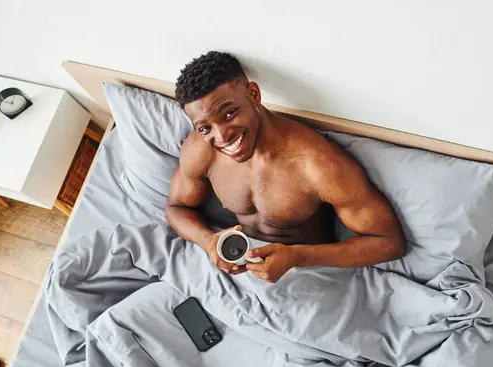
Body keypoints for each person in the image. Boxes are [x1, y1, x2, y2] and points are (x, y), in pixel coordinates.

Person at [167, 51, 405, 283]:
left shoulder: (317, 163)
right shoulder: (200, 150)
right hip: (232, 272)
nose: (222, 137)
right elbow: (177, 207)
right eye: (205, 128)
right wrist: (207, 241)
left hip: (307, 273)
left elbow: (388, 242)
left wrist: (297, 256)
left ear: (253, 94)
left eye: (229, 113)